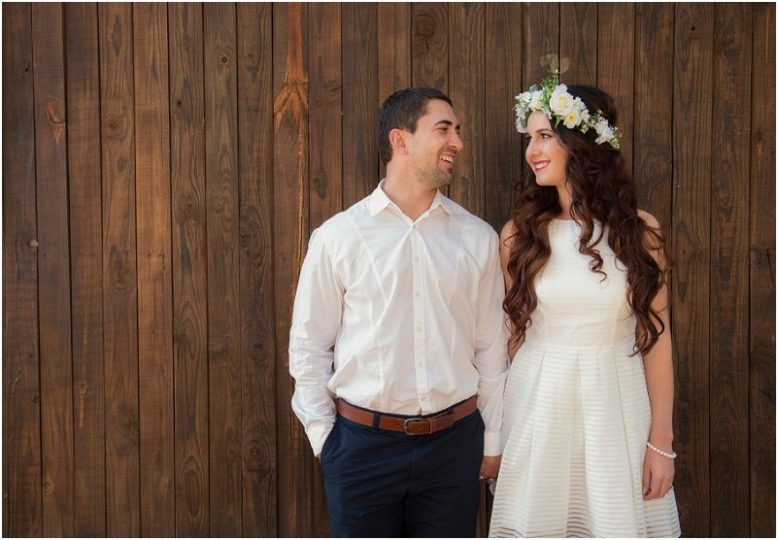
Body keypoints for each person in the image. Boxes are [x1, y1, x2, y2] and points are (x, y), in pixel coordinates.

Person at [289, 87, 509, 537]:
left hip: (454, 448)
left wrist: (491, 440)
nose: (457, 142)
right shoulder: (339, 237)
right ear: (400, 139)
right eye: (443, 129)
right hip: (361, 450)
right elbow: (309, 346)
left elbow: (491, 348)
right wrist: (325, 440)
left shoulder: (477, 238)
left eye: (457, 130)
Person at [489, 74, 681, 537]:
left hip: (615, 404)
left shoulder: (641, 233)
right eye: (529, 138)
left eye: (544, 136)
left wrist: (661, 441)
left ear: (581, 144)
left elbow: (656, 339)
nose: (532, 150)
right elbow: (510, 338)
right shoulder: (518, 236)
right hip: (539, 404)